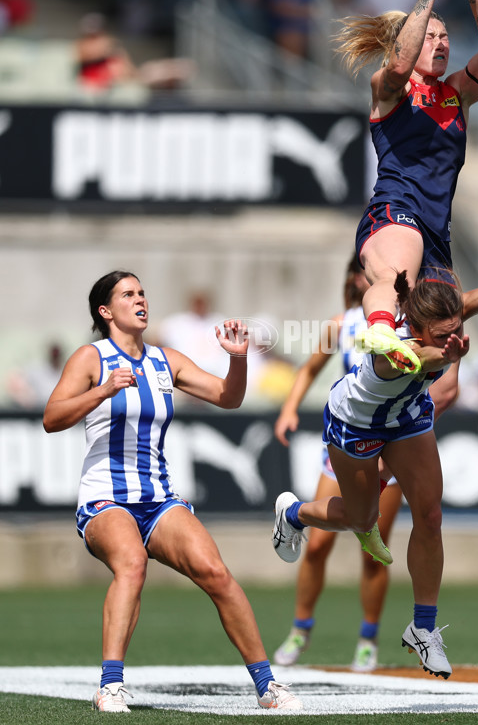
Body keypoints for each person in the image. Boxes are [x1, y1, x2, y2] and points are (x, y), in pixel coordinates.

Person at [43, 271, 302, 713]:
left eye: (142, 292)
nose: (140, 299)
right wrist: (103, 390)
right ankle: (110, 686)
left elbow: (228, 397)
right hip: (106, 498)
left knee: (215, 572)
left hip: (159, 499)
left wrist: (238, 358)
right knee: (132, 563)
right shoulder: (91, 357)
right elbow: (52, 417)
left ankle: (267, 685)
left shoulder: (166, 361)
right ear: (106, 311)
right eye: (128, 294)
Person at [272, 248, 478, 680]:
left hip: (406, 416)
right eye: (441, 335)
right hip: (357, 425)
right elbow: (423, 359)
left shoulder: (440, 320)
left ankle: (422, 627)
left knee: (430, 514)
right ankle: (293, 514)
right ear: (415, 327)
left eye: (455, 330)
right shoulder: (390, 348)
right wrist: (447, 356)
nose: (451, 337)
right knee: (360, 519)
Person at [333, 0, 478, 393]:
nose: (441, 43)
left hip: (437, 233)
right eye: (430, 36)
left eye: (445, 36)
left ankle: (401, 404)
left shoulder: (456, 94)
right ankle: (380, 331)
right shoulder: (388, 88)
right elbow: (398, 66)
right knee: (397, 279)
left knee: (445, 378)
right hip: (395, 212)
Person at [272, 253, 404, 673]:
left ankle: (368, 639)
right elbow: (310, 369)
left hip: (390, 449)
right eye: (363, 274)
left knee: (374, 550)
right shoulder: (342, 325)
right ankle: (300, 629)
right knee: (318, 545)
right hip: (347, 445)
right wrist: (289, 408)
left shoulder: (403, 322)